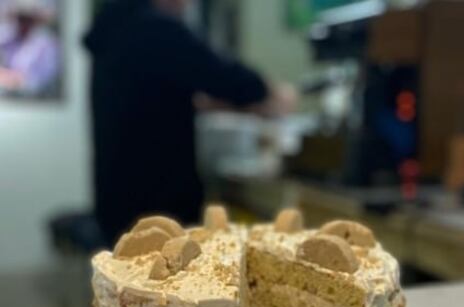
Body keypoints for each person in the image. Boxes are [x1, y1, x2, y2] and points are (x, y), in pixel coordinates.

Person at [83, 0, 295, 245]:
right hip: (155, 208)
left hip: (118, 200)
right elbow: (228, 77)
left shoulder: (116, 29)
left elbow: (157, 98)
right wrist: (273, 93)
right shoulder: (155, 28)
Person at [0, 0, 61, 97]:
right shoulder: (7, 41)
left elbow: (46, 78)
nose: (23, 24)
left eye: (27, 19)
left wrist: (17, 79)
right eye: (21, 19)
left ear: (34, 21)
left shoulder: (46, 45)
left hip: (35, 100)